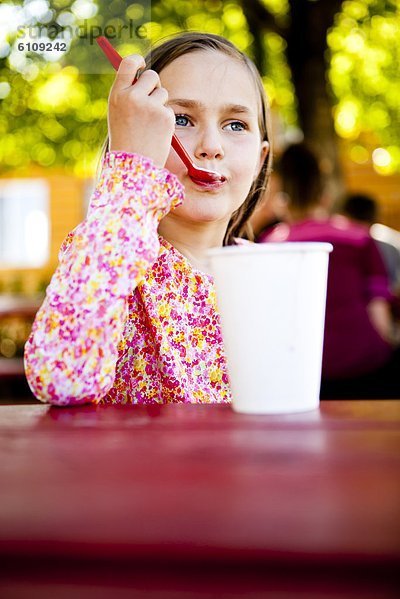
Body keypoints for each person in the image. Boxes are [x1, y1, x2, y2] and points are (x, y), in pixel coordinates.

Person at [24, 32, 271, 406]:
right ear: (136, 137)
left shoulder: (268, 271)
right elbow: (59, 378)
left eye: (235, 125)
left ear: (261, 159)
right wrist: (132, 172)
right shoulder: (108, 252)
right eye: (182, 119)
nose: (211, 146)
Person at [258, 143, 400, 399]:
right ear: (326, 193)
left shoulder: (270, 244)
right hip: (367, 365)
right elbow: (379, 314)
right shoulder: (358, 238)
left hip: (301, 372)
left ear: (281, 197)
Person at [341, 193, 400, 293]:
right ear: (375, 217)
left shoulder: (342, 246)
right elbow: (395, 286)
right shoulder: (389, 246)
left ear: (346, 215)